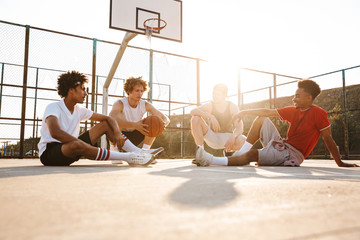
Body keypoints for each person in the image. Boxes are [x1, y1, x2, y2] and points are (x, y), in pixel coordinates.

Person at [194, 79, 359, 168]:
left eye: (297, 96)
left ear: (309, 98)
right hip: (283, 144)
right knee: (261, 120)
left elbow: (328, 139)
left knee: (251, 155)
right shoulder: (294, 110)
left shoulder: (319, 114)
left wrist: (339, 162)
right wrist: (244, 112)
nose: (294, 98)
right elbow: (267, 112)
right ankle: (239, 155)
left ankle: (211, 160)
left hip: (291, 155)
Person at [38, 71, 157, 167]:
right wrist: (82, 144)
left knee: (105, 124)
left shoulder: (79, 110)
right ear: (71, 90)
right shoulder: (54, 107)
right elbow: (55, 133)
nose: (86, 93)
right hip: (50, 154)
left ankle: (139, 152)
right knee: (76, 145)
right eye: (82, 89)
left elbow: (108, 119)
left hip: (73, 149)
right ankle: (129, 157)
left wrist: (116, 132)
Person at [109, 77, 170, 163]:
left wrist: (163, 124)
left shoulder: (145, 104)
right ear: (129, 91)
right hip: (121, 136)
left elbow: (165, 118)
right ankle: (115, 152)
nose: (140, 93)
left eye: (141, 91)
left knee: (153, 123)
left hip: (136, 134)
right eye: (137, 91)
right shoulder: (119, 103)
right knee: (111, 126)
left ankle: (145, 154)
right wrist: (134, 124)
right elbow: (111, 120)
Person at [190, 83, 246, 159]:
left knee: (243, 140)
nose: (214, 96)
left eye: (217, 94)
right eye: (213, 93)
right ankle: (200, 153)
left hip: (227, 138)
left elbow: (240, 127)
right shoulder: (210, 105)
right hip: (212, 136)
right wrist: (210, 116)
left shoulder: (232, 106)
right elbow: (193, 111)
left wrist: (233, 136)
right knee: (195, 118)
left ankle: (230, 153)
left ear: (224, 95)